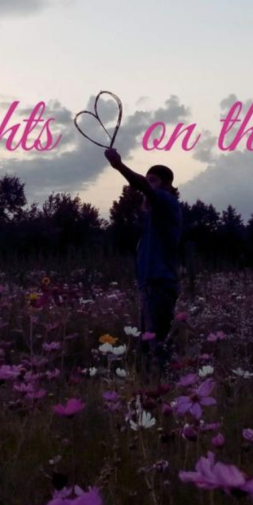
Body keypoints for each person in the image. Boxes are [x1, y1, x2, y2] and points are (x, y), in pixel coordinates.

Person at [104, 148, 182, 370]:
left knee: (156, 346)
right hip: (151, 284)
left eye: (153, 181)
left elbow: (144, 188)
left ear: (166, 185)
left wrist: (119, 165)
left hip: (160, 283)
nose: (148, 186)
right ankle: (152, 389)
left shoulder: (166, 201)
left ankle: (163, 389)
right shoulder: (153, 217)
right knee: (148, 345)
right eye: (148, 181)